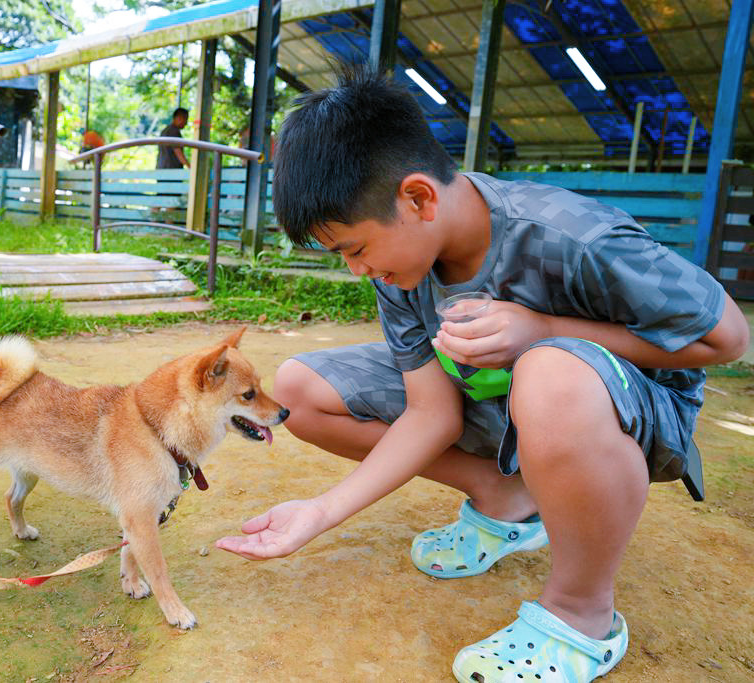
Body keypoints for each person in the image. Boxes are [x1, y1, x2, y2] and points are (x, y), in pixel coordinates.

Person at [215, 65, 750, 682]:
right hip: (509, 404)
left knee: (549, 373)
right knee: (304, 391)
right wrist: (322, 511)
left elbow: (727, 337)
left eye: (355, 250)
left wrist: (545, 332)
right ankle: (506, 495)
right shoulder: (407, 268)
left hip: (632, 413)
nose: (357, 272)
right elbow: (431, 412)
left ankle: (583, 616)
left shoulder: (572, 235)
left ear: (417, 198)